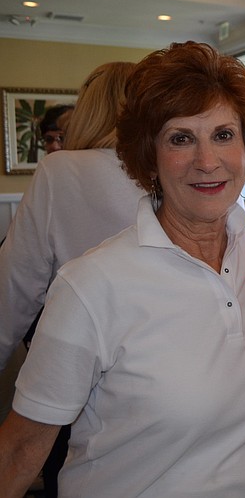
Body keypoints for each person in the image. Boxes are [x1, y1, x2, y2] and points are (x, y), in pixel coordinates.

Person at [0, 42, 245, 496]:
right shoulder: (91, 285)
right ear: (149, 158)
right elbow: (18, 453)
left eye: (223, 135)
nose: (207, 161)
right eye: (181, 139)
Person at [0, 62, 139, 497]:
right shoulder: (168, 171)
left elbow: (16, 287)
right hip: (158, 366)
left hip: (75, 367)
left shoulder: (61, 171)